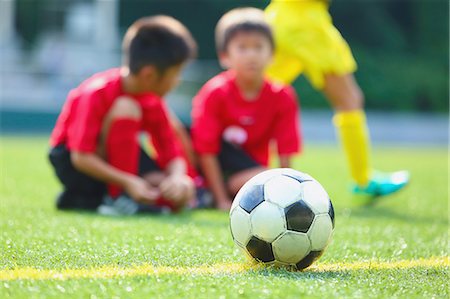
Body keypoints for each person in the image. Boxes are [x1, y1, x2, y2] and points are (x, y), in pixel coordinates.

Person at [48, 16, 197, 215]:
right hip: (75, 161)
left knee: (181, 194)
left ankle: (95, 199)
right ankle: (116, 198)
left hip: (119, 160)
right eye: (175, 74)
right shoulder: (95, 93)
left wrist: (178, 178)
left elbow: (170, 149)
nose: (177, 82)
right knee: (126, 108)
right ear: (149, 75)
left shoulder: (152, 99)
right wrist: (128, 182)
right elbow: (80, 157)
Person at [264, 0, 409, 196]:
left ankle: (224, 168)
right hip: (305, 22)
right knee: (349, 99)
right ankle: (363, 180)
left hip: (282, 15)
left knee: (251, 96)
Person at [191, 8, 302, 210]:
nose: (252, 55)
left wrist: (288, 196)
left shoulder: (282, 95)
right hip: (213, 168)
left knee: (266, 179)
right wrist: (221, 200)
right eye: (242, 48)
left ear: (272, 54)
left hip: (252, 171)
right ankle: (208, 192)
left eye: (258, 47)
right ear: (225, 56)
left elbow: (286, 148)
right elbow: (205, 149)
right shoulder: (214, 93)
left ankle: (231, 190)